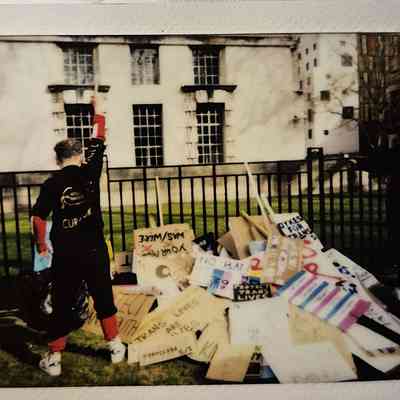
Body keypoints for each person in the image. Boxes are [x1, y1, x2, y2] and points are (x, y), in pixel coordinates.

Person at [31, 100, 125, 377]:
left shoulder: (51, 183)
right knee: (103, 295)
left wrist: (41, 243)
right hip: (95, 249)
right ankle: (115, 347)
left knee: (62, 302)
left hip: (67, 253)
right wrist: (98, 110)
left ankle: (54, 359)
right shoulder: (90, 173)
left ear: (57, 159)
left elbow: (38, 218)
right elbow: (98, 136)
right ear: (79, 155)